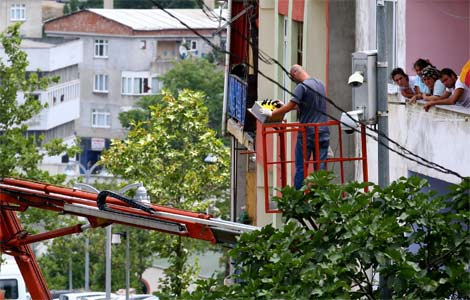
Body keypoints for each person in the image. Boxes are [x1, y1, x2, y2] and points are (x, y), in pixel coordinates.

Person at [260, 64, 330, 189]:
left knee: (301, 166)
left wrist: (271, 113)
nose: (294, 82)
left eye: (293, 79)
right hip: (323, 132)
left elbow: (291, 106)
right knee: (321, 167)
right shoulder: (320, 84)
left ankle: (299, 196)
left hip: (307, 133)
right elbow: (303, 106)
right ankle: (322, 195)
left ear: (295, 74)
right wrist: (283, 105)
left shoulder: (301, 87)